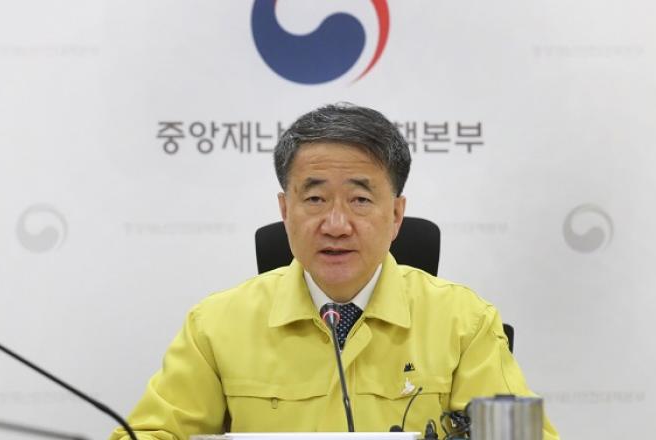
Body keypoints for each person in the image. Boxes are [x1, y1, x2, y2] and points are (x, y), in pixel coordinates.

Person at [110, 103, 559, 439]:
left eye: (360, 199)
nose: (337, 224)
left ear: (396, 215)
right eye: (315, 199)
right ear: (285, 210)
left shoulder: (464, 322)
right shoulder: (216, 325)